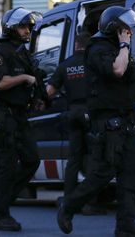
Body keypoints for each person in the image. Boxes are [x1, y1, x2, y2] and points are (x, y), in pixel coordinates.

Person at [56, 6, 135, 237]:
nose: (129, 32)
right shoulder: (97, 49)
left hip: (125, 122)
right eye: (125, 28)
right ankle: (68, 206)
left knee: (130, 177)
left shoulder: (117, 49)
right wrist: (125, 45)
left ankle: (126, 225)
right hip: (108, 124)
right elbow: (117, 71)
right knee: (101, 175)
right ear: (114, 28)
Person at [0, 7, 41, 232]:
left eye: (29, 26)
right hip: (4, 116)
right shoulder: (1, 52)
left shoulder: (22, 52)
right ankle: (0, 214)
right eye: (22, 26)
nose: (27, 30)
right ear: (11, 28)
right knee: (6, 166)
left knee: (31, 160)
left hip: (20, 115)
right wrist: (24, 78)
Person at [47, 31, 107, 216]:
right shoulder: (93, 62)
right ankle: (90, 202)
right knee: (93, 158)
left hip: (73, 113)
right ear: (88, 45)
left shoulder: (65, 65)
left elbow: (49, 91)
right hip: (92, 113)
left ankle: (68, 199)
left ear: (75, 45)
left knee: (73, 159)